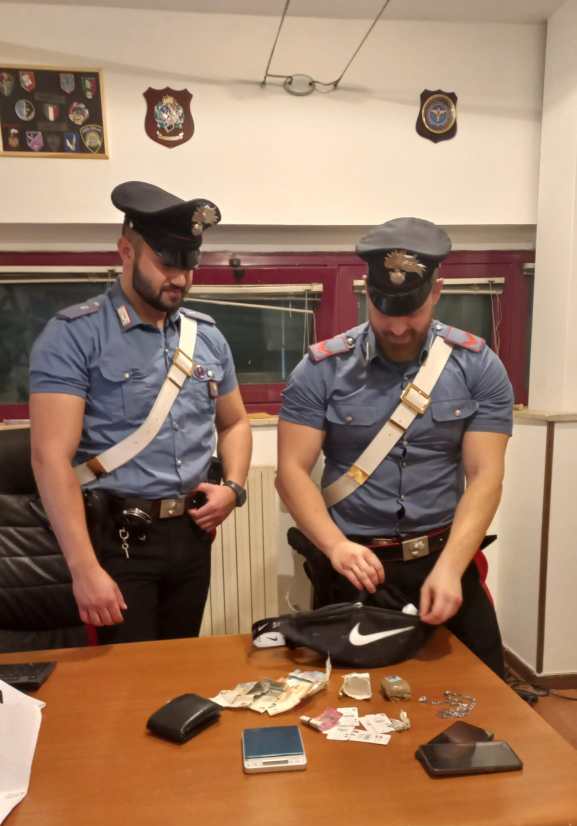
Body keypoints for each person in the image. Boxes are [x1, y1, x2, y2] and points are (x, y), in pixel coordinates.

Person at [277, 217, 514, 681]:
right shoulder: (322, 369)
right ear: (367, 292)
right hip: (354, 565)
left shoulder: (478, 367)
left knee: (484, 691)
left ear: (436, 292)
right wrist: (335, 546)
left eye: (412, 310)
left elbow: (487, 476)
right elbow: (291, 472)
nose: (399, 326)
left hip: (444, 557)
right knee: (348, 704)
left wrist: (451, 567)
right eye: (385, 310)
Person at [29, 180, 252, 644]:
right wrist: (83, 568)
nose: (181, 279)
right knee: (124, 677)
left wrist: (233, 488)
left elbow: (234, 422)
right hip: (117, 540)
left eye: (189, 265)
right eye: (167, 263)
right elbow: (50, 458)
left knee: (178, 665)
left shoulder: (207, 337)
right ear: (126, 251)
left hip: (192, 535)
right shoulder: (74, 335)